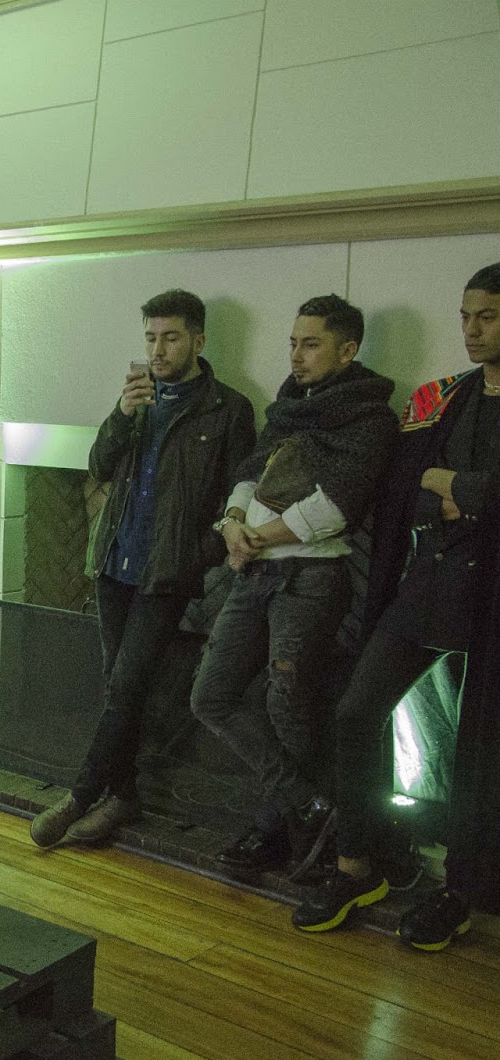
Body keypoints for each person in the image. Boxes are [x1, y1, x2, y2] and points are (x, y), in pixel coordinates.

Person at [292, 263, 500, 943]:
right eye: (465, 316)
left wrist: (457, 486)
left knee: (478, 750)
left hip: (490, 599)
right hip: (428, 584)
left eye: (487, 317)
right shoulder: (447, 396)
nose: (471, 330)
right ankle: (358, 866)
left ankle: (460, 890)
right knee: (356, 715)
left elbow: (458, 488)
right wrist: (454, 492)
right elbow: (405, 489)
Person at [31, 291, 256, 848]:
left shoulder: (228, 409)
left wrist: (197, 554)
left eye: (171, 337)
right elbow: (98, 466)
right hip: (115, 560)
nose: (158, 349)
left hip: (167, 572)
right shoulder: (137, 400)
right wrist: (122, 414)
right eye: (151, 338)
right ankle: (123, 796)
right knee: (119, 686)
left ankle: (81, 794)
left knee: (127, 684)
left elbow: (239, 492)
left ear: (198, 340)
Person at [191, 295, 399, 875]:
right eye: (292, 343)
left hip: (312, 578)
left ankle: (277, 831)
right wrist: (233, 523)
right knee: (210, 696)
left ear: (347, 350)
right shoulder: (287, 406)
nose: (296, 356)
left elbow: (338, 504)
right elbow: (251, 473)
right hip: (255, 571)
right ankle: (310, 804)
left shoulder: (370, 416)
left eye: (311, 345)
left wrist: (257, 537)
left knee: (289, 708)